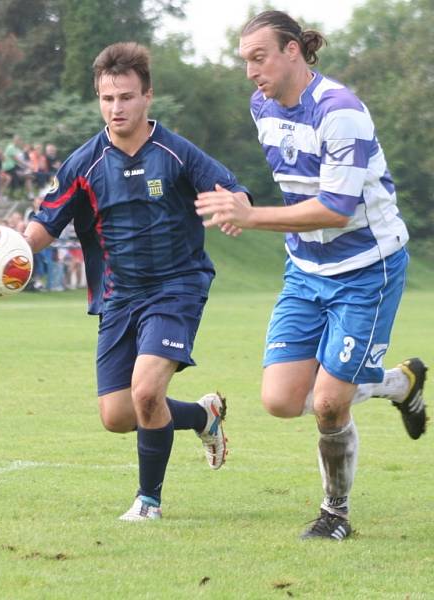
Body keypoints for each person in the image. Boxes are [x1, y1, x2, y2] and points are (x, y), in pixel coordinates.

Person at [194, 11, 427, 541]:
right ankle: (400, 383)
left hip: (368, 268)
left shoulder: (340, 111)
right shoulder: (262, 105)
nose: (251, 72)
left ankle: (335, 514)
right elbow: (300, 187)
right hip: (306, 270)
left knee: (327, 403)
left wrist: (252, 217)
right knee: (280, 401)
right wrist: (246, 207)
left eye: (260, 57)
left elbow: (336, 209)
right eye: (245, 61)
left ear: (293, 51)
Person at [24, 42, 244, 521]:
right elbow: (47, 223)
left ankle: (149, 502)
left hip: (177, 286)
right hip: (119, 295)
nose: (116, 108)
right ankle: (203, 415)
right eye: (107, 99)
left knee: (147, 393)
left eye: (125, 97)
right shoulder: (85, 162)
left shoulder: (175, 152)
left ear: (147, 96)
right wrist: (12, 252)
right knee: (119, 415)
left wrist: (233, 207)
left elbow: (230, 187)